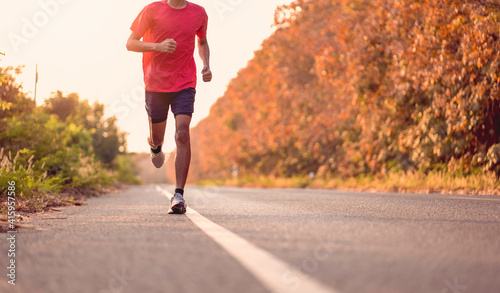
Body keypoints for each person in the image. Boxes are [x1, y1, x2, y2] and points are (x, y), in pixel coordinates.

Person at [126, 0, 212, 214]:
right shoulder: (152, 10)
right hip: (155, 84)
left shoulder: (199, 13)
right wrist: (158, 46)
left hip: (185, 82)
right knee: (158, 138)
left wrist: (206, 65)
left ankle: (179, 195)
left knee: (182, 133)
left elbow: (202, 42)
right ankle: (155, 146)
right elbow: (130, 43)